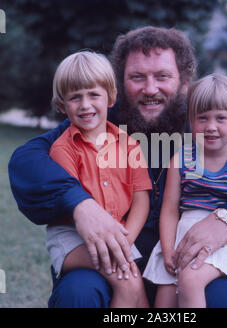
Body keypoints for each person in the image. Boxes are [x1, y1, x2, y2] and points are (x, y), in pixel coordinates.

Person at [8, 26, 227, 308]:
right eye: (137, 77)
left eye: (162, 76)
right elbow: (28, 159)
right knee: (78, 291)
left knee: (224, 297)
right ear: (120, 84)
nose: (150, 89)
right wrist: (80, 205)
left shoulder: (205, 129)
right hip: (112, 262)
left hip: (187, 266)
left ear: (184, 82)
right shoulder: (98, 123)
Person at [143, 74, 227, 307]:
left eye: (220, 118)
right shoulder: (182, 159)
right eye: (202, 118)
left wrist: (216, 243)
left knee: (190, 279)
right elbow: (169, 210)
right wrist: (168, 250)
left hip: (225, 245)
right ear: (191, 120)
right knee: (164, 302)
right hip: (180, 241)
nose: (211, 127)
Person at [46, 51, 151, 307]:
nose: (85, 105)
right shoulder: (62, 150)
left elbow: (141, 200)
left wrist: (125, 241)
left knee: (142, 297)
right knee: (128, 281)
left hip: (117, 236)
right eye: (74, 97)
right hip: (73, 238)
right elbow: (72, 207)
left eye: (93, 94)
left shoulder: (129, 146)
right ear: (62, 105)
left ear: (111, 97)